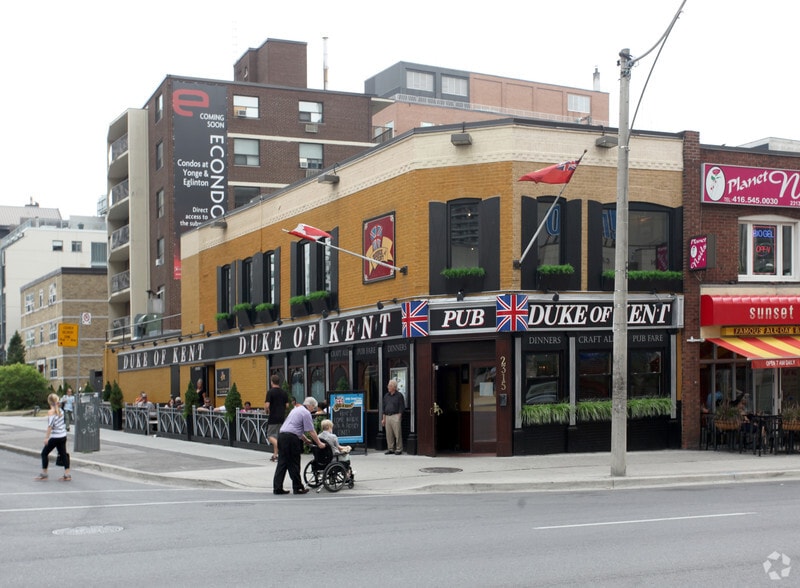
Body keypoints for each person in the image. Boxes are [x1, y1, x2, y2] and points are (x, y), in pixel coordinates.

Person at [273, 397, 326, 495]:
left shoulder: (295, 410)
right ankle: (298, 487)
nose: (313, 410)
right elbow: (311, 431)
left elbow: (295, 428)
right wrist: (319, 443)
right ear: (310, 405)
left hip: (282, 436)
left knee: (282, 463)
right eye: (313, 407)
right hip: (291, 439)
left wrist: (305, 440)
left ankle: (277, 487)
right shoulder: (306, 413)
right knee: (294, 463)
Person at [36, 393, 71, 481]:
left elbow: (50, 426)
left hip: (55, 437)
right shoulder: (60, 410)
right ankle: (67, 474)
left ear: (49, 402)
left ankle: (44, 473)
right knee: (63, 454)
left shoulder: (51, 412)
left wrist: (46, 438)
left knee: (44, 453)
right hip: (63, 435)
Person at [264, 374, 289, 463]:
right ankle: (276, 455)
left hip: (273, 417)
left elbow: (267, 405)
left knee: (270, 436)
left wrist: (266, 411)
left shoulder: (270, 392)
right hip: (282, 417)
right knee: (277, 436)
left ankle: (281, 448)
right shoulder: (284, 392)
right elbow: (287, 405)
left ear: (271, 382)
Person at [381, 379, 405, 455]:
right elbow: (384, 408)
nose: (388, 387)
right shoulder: (386, 396)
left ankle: (399, 449)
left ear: (394, 387)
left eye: (390, 386)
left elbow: (401, 407)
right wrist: (383, 419)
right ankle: (390, 448)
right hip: (387, 416)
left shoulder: (399, 395)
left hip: (395, 416)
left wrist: (399, 417)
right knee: (389, 434)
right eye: (388, 385)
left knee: (397, 434)